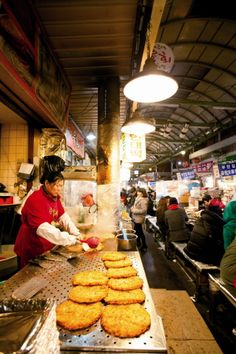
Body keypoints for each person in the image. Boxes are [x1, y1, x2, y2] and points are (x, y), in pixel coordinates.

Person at [14, 171, 82, 268]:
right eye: (56, 185)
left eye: (61, 186)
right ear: (46, 183)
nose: (59, 189)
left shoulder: (54, 197)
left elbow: (63, 216)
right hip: (30, 244)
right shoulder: (36, 199)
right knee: (28, 278)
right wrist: (68, 238)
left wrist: (76, 233)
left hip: (44, 243)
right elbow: (43, 228)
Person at [184, 199, 225, 265]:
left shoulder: (202, 217)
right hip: (200, 255)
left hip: (191, 250)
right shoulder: (215, 221)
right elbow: (219, 241)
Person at [130, 188, 148, 252]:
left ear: (143, 193)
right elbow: (136, 206)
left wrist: (134, 210)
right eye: (138, 192)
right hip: (136, 217)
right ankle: (139, 243)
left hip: (139, 218)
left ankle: (144, 245)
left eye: (139, 192)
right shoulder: (138, 198)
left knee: (140, 232)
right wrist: (133, 208)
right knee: (137, 231)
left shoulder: (143, 200)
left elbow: (144, 210)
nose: (138, 193)